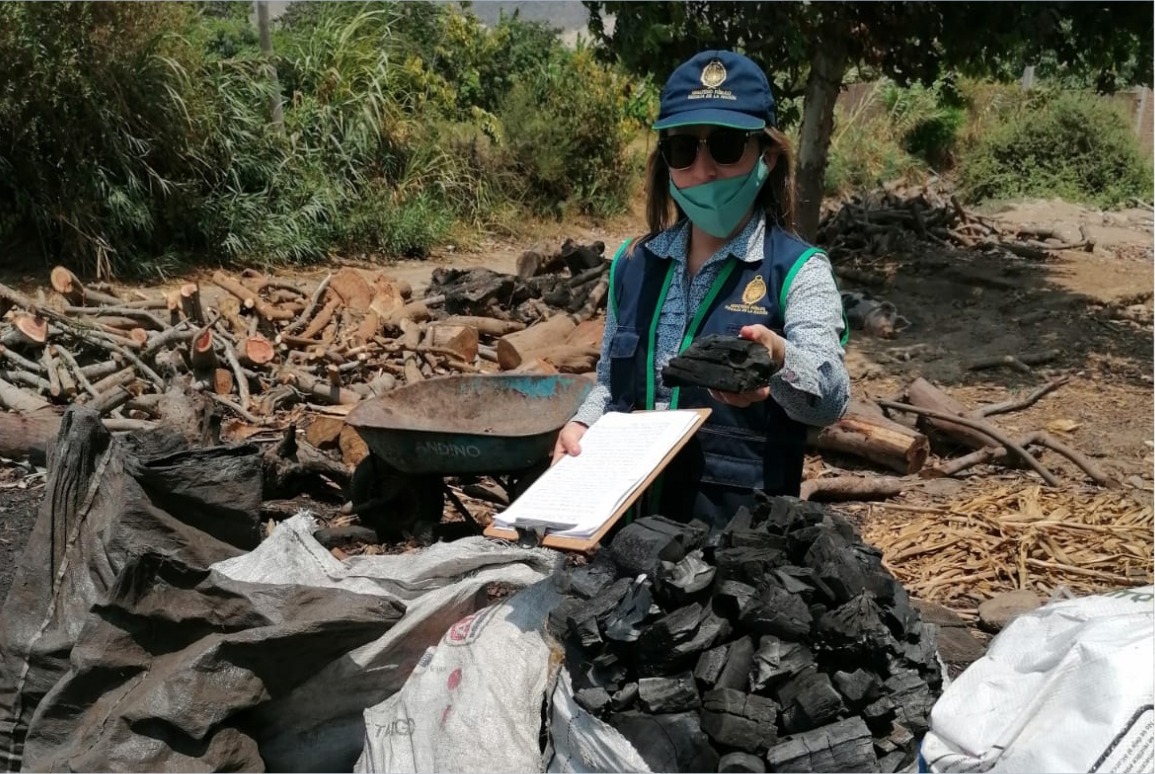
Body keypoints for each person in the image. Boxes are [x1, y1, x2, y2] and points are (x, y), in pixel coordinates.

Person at [551, 49, 850, 529]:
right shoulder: (631, 264)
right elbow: (610, 384)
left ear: (768, 156)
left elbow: (831, 400)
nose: (704, 169)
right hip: (623, 537)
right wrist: (582, 423)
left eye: (727, 146)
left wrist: (778, 360)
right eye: (684, 149)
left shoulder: (799, 271)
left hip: (734, 552)